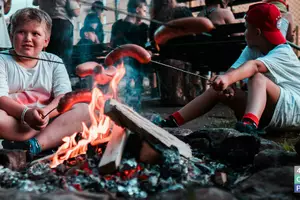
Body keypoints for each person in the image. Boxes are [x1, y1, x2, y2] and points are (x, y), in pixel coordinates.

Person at [159, 3, 300, 134]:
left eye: (246, 27)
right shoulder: (252, 48)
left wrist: (226, 78)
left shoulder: (282, 52)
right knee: (219, 90)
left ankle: (249, 124)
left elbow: (254, 66)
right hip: (268, 115)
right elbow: (232, 73)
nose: (244, 32)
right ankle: (172, 121)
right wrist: (224, 82)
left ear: (257, 32)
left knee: (257, 78)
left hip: (291, 113)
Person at [0, 8, 90, 158]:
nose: (28, 38)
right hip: (14, 120)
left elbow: (63, 97)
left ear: (46, 41)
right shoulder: (2, 60)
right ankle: (49, 136)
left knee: (85, 109)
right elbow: (1, 98)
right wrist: (26, 114)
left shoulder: (54, 62)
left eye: (35, 33)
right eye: (21, 32)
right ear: (11, 36)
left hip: (48, 117)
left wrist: (45, 114)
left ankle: (34, 145)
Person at [149, 0, 199, 106]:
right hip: (185, 56)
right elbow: (193, 35)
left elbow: (152, 41)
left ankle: (171, 96)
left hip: (166, 57)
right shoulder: (183, 11)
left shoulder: (156, 18)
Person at [110, 0, 148, 112]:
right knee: (128, 89)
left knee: (134, 89)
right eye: (144, 10)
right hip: (125, 65)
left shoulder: (118, 25)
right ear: (137, 10)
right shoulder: (140, 28)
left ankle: (131, 110)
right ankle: (127, 109)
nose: (145, 14)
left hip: (133, 65)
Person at [33, 0, 81, 76]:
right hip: (62, 25)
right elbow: (76, 12)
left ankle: (49, 82)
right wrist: (77, 3)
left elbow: (35, 2)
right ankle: (62, 83)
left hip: (45, 25)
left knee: (49, 57)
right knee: (64, 58)